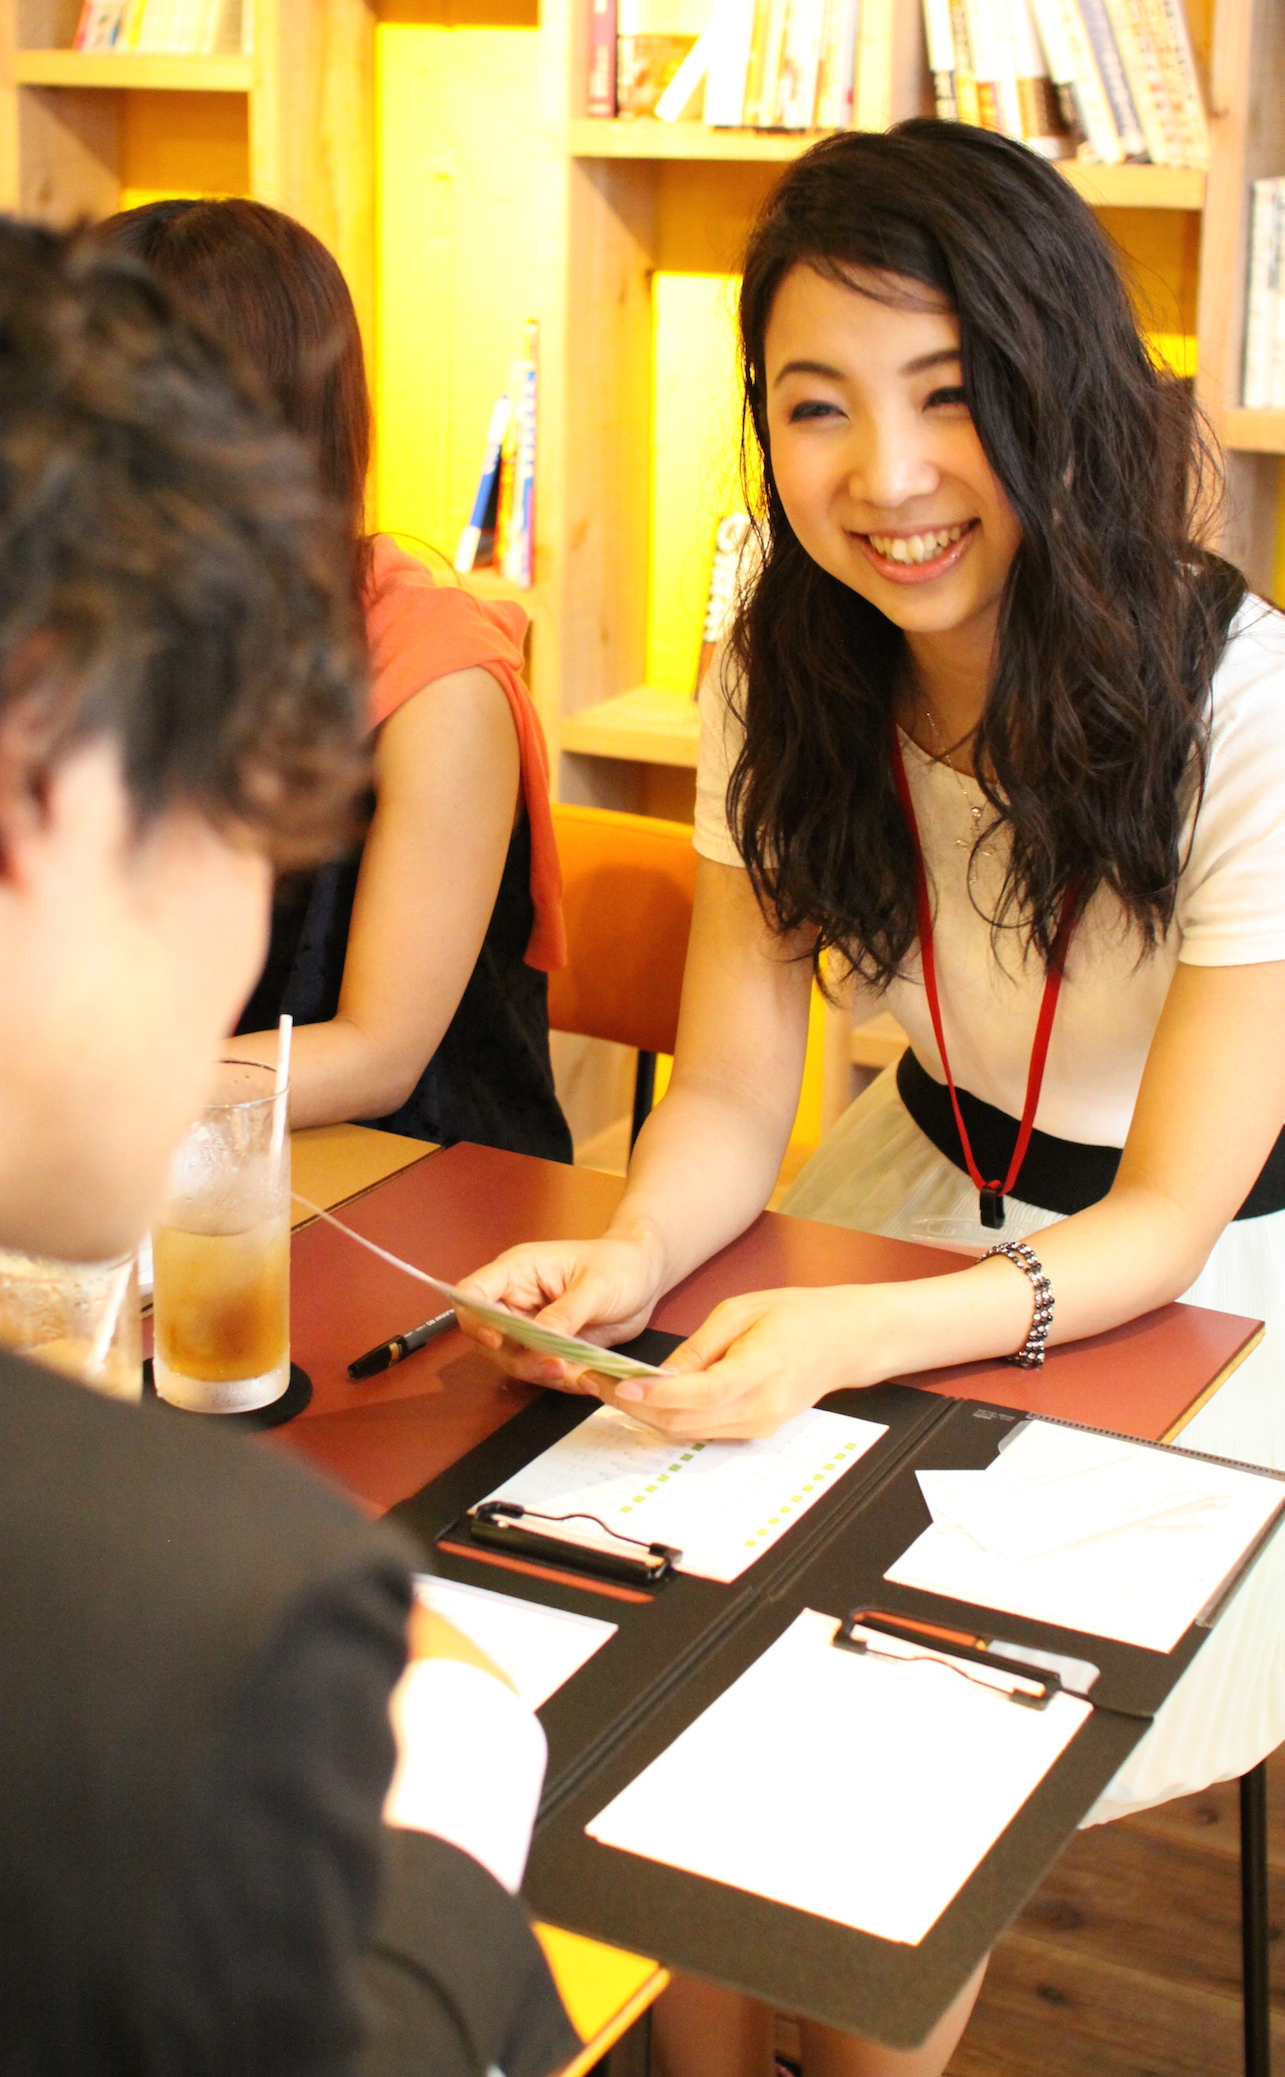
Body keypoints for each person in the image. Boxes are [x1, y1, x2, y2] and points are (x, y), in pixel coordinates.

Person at [458, 120, 1285, 2077]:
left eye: (947, 396)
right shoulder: (779, 657)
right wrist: (638, 1253)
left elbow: (1166, 1219)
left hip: (1222, 1285)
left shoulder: (1243, 699)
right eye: (815, 407)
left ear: (1057, 389)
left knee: (878, 1761)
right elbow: (739, 1094)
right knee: (633, 1650)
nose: (885, 479)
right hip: (902, 1187)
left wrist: (842, 1332)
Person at [0, 198, 578, 2077]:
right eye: (243, 810)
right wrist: (467, 1769)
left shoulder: (435, 660)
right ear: (47, 783)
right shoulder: (205, 1618)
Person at [91, 198, 572, 1162]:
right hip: (169, 1158)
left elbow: (376, 1054)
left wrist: (70, 1097)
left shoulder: (438, 688)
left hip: (414, 1182)